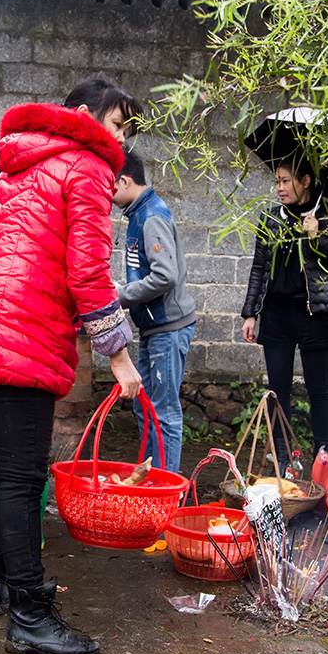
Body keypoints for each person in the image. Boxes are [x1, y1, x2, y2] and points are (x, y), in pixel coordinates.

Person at [0, 77, 143, 654]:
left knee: (2, 469)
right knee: (23, 476)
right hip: (21, 332)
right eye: (117, 122)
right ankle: (31, 614)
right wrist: (120, 357)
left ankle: (6, 587)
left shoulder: (15, 167)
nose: (120, 137)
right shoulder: (85, 166)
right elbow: (87, 274)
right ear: (83, 115)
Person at [240, 156, 328, 461]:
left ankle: (323, 452)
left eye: (285, 181)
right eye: (276, 182)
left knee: (319, 388)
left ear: (306, 181)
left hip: (315, 313)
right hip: (276, 312)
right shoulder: (271, 218)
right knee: (278, 389)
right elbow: (259, 267)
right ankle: (283, 453)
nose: (279, 188)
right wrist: (251, 312)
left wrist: (317, 236)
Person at [112, 149, 196, 476]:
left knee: (163, 413)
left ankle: (164, 489)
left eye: (109, 186)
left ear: (124, 180)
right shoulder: (138, 213)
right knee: (144, 407)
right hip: (153, 328)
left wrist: (119, 296)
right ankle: (147, 477)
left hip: (168, 328)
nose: (106, 195)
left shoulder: (151, 216)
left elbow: (165, 276)